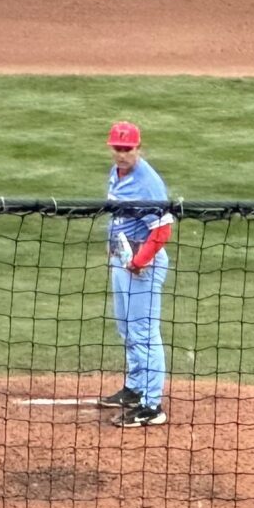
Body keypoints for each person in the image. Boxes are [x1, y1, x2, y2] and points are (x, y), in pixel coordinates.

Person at [96, 121, 175, 427]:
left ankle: (152, 406)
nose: (122, 155)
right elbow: (118, 216)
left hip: (144, 265)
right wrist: (111, 245)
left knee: (144, 333)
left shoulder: (148, 183)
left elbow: (162, 230)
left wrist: (140, 261)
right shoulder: (115, 175)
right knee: (127, 329)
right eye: (117, 148)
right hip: (123, 260)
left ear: (138, 149)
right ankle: (136, 387)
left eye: (127, 149)